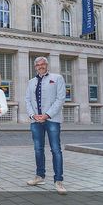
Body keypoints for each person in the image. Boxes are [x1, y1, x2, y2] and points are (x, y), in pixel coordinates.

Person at [25, 56, 67, 195]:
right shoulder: (31, 82)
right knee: (38, 149)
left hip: (52, 119)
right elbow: (27, 101)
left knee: (56, 149)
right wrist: (32, 115)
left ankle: (58, 181)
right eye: (37, 65)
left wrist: (47, 115)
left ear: (47, 65)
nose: (40, 66)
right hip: (35, 120)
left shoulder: (57, 78)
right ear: (35, 67)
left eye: (42, 64)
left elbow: (60, 99)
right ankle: (40, 176)